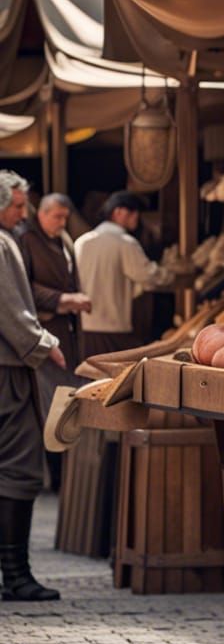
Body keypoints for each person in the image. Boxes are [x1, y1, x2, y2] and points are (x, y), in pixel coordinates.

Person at [0, 170, 63, 601]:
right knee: (19, 470)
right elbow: (11, 310)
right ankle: (16, 575)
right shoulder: (2, 244)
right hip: (8, 370)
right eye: (18, 206)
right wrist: (45, 345)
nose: (23, 215)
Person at [18, 193, 92, 493]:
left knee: (64, 402)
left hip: (66, 332)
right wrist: (62, 300)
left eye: (65, 217)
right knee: (51, 405)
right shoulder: (26, 239)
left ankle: (66, 473)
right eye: (57, 217)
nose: (62, 222)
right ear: (43, 214)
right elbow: (22, 287)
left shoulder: (61, 240)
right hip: (42, 333)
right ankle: (57, 476)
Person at [74, 192, 174, 357]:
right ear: (118, 212)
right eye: (132, 212)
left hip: (85, 325)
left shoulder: (81, 241)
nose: (136, 217)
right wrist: (170, 274)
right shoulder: (124, 242)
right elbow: (147, 275)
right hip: (113, 325)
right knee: (115, 378)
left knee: (91, 379)